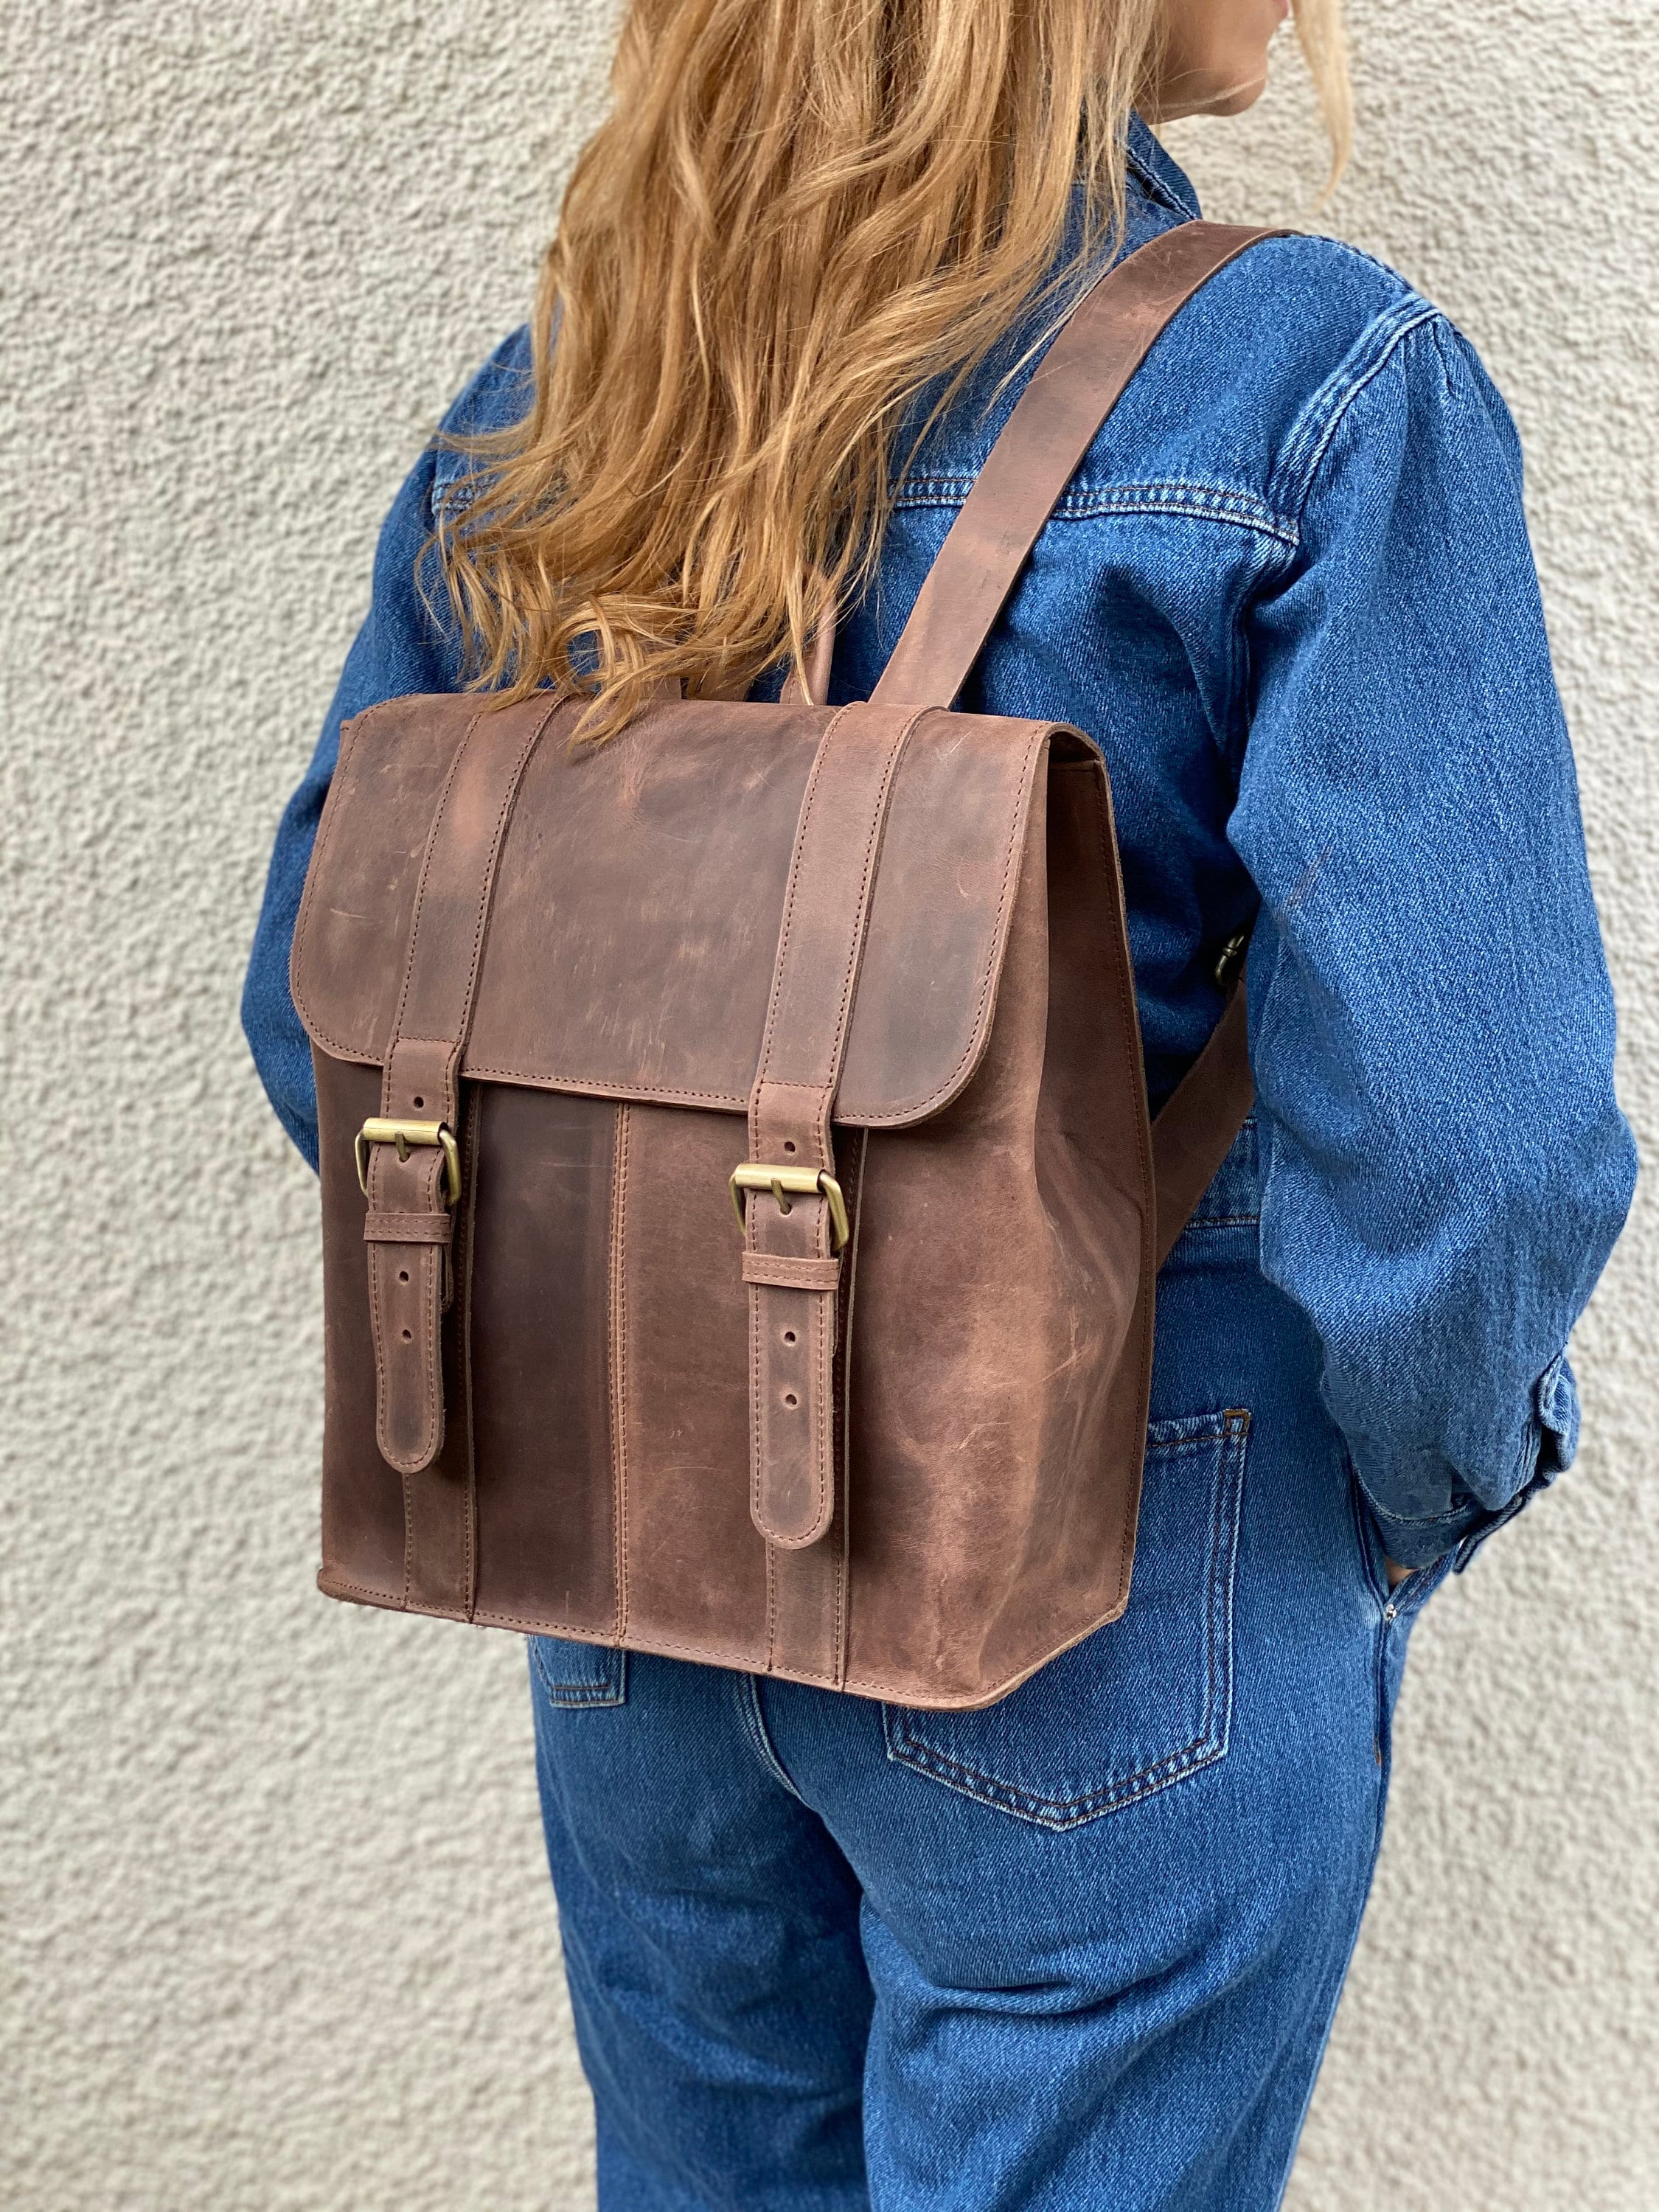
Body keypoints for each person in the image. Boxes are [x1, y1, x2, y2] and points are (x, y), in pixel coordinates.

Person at [242, 0, 1636, 2203]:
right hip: (1123, 1548)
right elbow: (1473, 1147)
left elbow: (308, 992)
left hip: (627, 1547)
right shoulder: (1313, 387)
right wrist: (1404, 1506)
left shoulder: (581, 389)